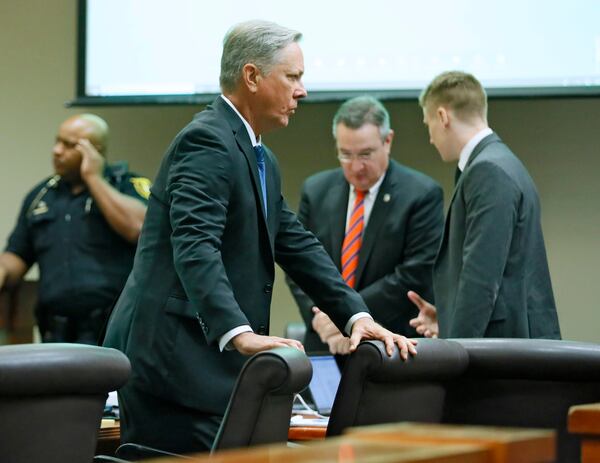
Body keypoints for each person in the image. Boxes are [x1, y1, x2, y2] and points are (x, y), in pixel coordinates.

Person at [102, 20, 417, 454]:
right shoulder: (206, 141)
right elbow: (195, 245)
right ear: (251, 77)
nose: (302, 91)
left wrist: (357, 317)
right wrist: (238, 331)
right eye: (293, 77)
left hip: (205, 370)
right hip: (174, 367)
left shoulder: (258, 153)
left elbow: (296, 243)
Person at [409, 71, 561, 339]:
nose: (430, 138)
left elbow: (481, 279)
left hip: (504, 359)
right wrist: (448, 318)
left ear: (443, 117)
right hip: (510, 347)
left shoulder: (487, 170)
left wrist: (457, 347)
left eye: (427, 123)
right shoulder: (501, 162)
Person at [286, 96, 444, 354]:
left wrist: (346, 315)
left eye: (366, 154)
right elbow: (299, 265)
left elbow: (413, 273)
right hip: (325, 341)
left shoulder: (421, 194)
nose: (356, 167)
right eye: (345, 155)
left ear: (388, 141)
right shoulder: (316, 191)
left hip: (389, 345)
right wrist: (322, 319)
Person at [0, 114, 149, 344]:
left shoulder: (127, 185)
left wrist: (93, 178)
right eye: (57, 141)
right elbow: (17, 256)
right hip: (56, 332)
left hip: (115, 330)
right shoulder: (41, 196)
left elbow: (138, 229)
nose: (57, 151)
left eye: (69, 145)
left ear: (95, 150)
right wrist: (3, 270)